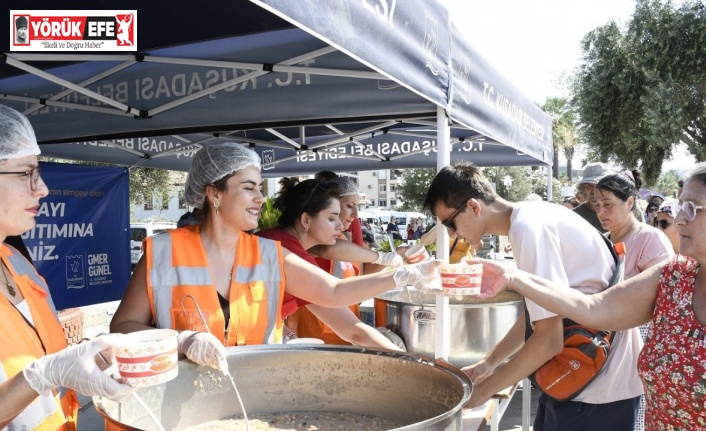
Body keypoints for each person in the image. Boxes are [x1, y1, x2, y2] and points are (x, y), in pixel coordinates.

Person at [111, 143, 437, 368]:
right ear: (213, 194)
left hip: (255, 399)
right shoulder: (164, 252)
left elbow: (334, 292)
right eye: (249, 188)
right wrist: (181, 340)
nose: (259, 199)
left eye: (260, 188)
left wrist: (399, 274)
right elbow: (121, 327)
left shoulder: (270, 254)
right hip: (177, 408)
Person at [467, 162, 706, 429]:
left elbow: (559, 329)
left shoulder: (650, 241)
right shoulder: (676, 276)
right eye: (681, 206)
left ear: (629, 203)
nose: (680, 218)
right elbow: (592, 308)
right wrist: (514, 278)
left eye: (692, 208)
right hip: (582, 379)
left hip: (603, 387)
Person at [423, 162, 643, 431]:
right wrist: (488, 364)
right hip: (582, 379)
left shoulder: (527, 230)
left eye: (449, 222)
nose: (452, 233)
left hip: (596, 391)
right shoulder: (530, 218)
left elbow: (549, 341)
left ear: (473, 206)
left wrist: (480, 394)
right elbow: (542, 316)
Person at [0, 105, 133, 430]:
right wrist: (43, 375)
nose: (42, 188)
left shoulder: (19, 264)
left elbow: (44, 353)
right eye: (25, 173)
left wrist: (91, 357)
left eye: (38, 172)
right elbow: (43, 372)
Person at [258, 176, 398, 348]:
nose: (340, 226)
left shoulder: (285, 245)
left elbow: (353, 330)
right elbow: (336, 294)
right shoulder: (280, 249)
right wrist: (404, 276)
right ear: (306, 220)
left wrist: (287, 335)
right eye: (332, 218)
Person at [593, 170, 674, 431]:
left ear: (629, 203)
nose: (601, 212)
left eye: (608, 205)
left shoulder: (649, 238)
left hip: (637, 352)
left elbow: (665, 298)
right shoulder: (601, 242)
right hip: (600, 351)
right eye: (597, 206)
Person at [314, 170, 363, 246]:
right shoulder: (316, 233)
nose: (356, 215)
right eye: (349, 206)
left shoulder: (340, 236)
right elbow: (328, 250)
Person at [573, 162, 615, 232]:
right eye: (589, 186)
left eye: (598, 186)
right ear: (584, 189)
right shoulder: (575, 217)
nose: (593, 191)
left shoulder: (618, 210)